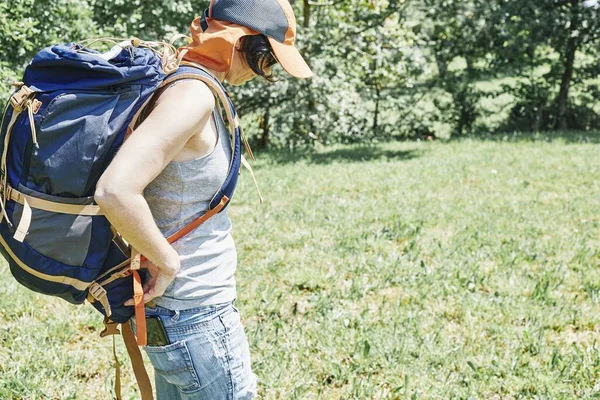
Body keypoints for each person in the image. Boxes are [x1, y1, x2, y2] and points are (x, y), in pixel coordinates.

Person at [94, 0, 312, 398]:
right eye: (270, 61)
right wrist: (169, 260)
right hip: (196, 315)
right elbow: (115, 189)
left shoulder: (186, 81)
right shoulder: (193, 96)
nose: (268, 73)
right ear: (247, 44)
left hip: (177, 314)